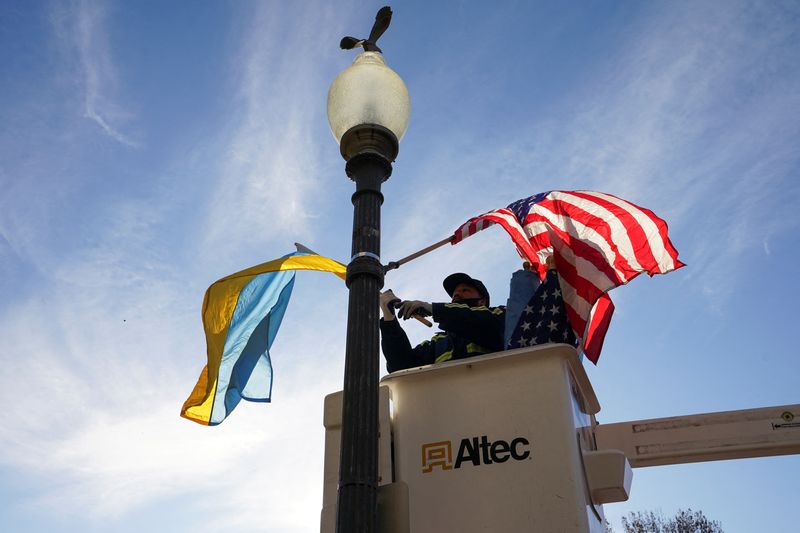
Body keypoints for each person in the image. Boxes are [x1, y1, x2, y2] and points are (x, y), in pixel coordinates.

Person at [379, 273, 506, 373]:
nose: (457, 294)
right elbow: (401, 367)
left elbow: (484, 324)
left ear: (482, 301)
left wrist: (432, 308)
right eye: (455, 292)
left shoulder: (500, 314)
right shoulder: (438, 342)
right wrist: (389, 320)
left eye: (465, 290)